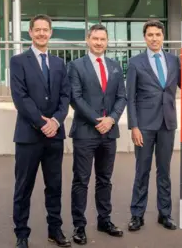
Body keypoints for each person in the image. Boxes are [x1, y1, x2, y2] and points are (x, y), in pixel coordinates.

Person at [10, 14, 71, 248]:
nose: (42, 33)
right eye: (38, 30)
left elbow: (65, 96)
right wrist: (41, 122)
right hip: (28, 135)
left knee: (54, 186)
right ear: (30, 32)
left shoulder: (59, 63)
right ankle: (21, 234)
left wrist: (55, 121)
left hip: (54, 136)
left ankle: (54, 230)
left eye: (46, 30)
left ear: (51, 33)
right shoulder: (18, 61)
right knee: (23, 187)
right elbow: (20, 97)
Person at [68, 24, 127, 244]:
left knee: (105, 179)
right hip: (85, 132)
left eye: (103, 39)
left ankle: (105, 220)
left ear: (107, 41)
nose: (99, 43)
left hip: (109, 133)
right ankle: (79, 226)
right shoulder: (75, 66)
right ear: (87, 40)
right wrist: (97, 121)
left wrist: (111, 119)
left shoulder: (114, 66)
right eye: (95, 39)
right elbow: (75, 97)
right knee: (81, 180)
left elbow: (122, 96)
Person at [126, 19, 181, 231]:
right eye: (150, 35)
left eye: (158, 34)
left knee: (164, 171)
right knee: (142, 171)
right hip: (144, 126)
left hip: (168, 123)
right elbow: (130, 98)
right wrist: (134, 126)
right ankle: (137, 215)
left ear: (163, 36)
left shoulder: (173, 61)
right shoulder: (135, 62)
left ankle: (164, 214)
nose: (154, 38)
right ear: (145, 38)